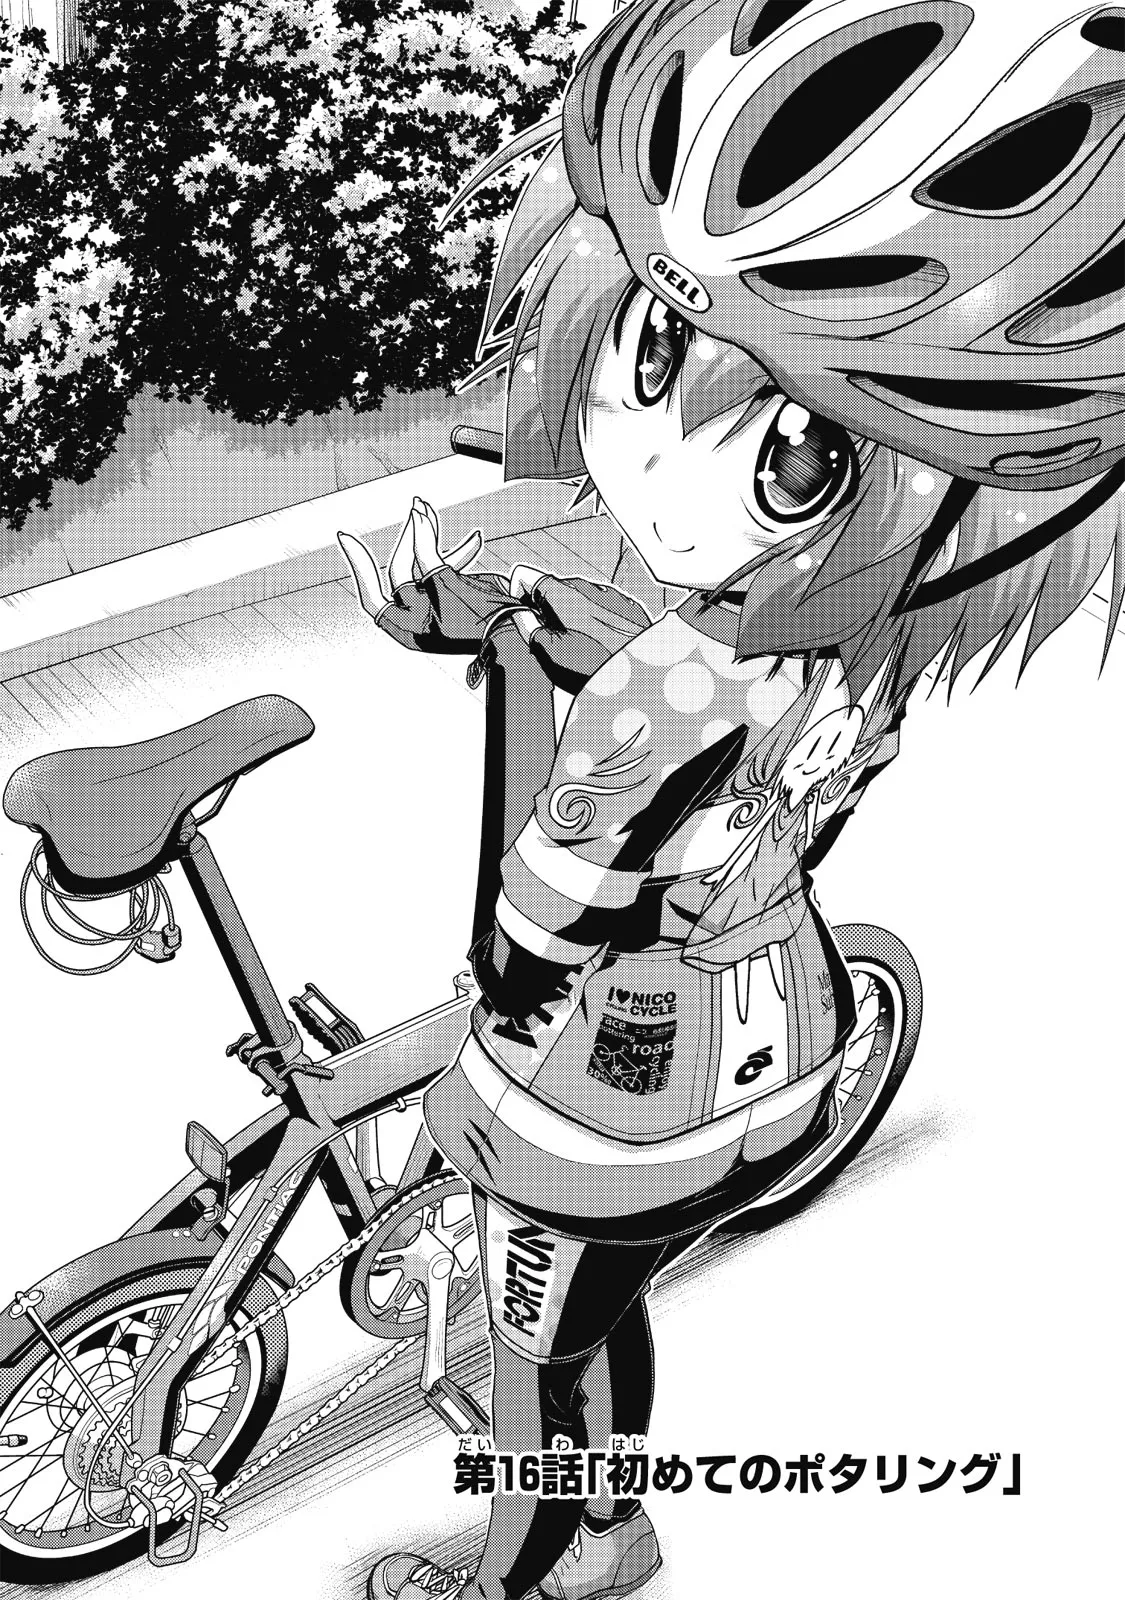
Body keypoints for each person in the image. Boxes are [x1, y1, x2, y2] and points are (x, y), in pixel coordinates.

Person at [340, 3, 1125, 1595]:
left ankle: (537, 1567)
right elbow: (599, 555)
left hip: (617, 1079)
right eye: (649, 352)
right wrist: (485, 599)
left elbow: (548, 904)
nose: (657, 464)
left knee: (538, 1345)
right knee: (597, 1307)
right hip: (771, 1016)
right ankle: (598, 1524)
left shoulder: (670, 686)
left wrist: (514, 966)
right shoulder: (829, 637)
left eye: (797, 460)